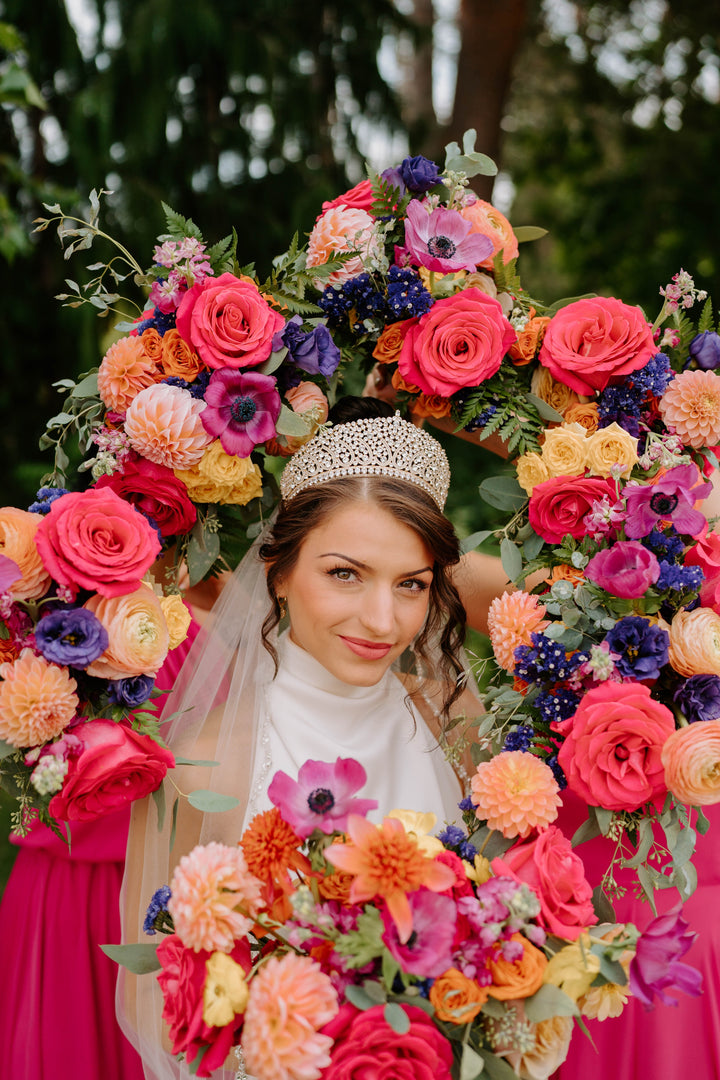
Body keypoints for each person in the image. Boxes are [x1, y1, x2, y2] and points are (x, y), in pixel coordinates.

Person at [118, 398, 485, 1079]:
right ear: (280, 576)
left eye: (411, 584)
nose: (381, 620)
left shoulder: (450, 716)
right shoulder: (209, 764)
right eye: (344, 574)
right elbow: (170, 1006)